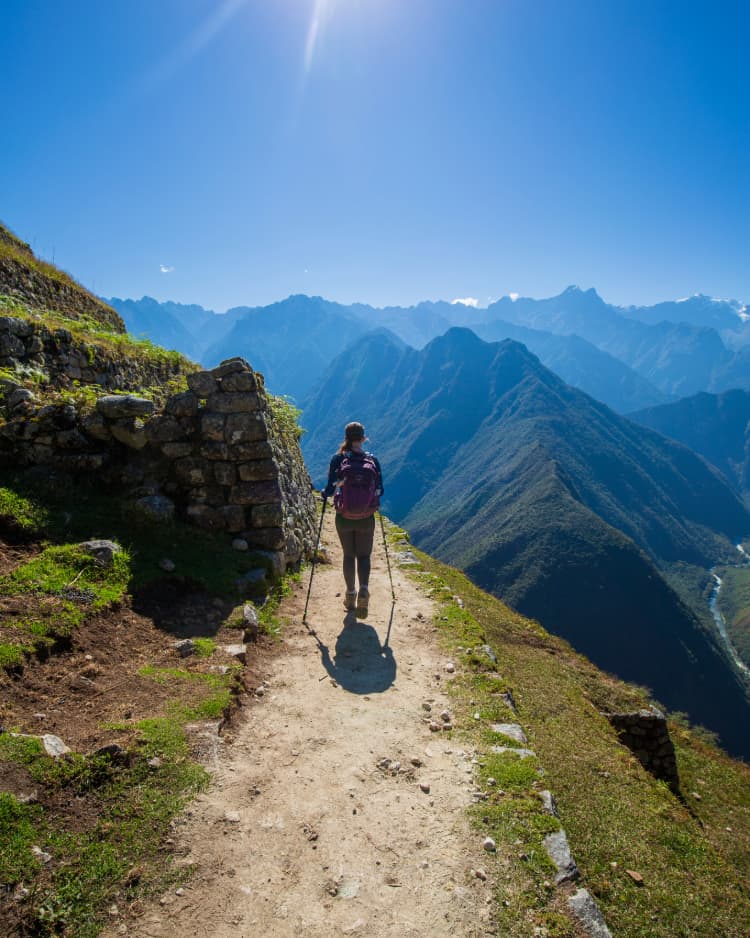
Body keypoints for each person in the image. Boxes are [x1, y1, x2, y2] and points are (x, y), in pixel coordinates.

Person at [322, 421, 384, 613]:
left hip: (344, 517)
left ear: (346, 438)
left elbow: (330, 490)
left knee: (349, 555)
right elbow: (380, 490)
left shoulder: (338, 460)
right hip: (366, 517)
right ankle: (364, 590)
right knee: (364, 556)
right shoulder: (372, 461)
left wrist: (325, 494)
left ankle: (350, 594)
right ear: (363, 438)